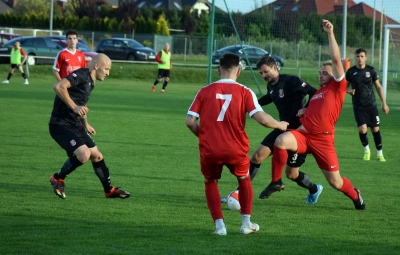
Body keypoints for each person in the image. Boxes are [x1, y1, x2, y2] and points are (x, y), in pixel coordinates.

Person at [186, 53, 288, 235]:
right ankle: (246, 224)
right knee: (244, 180)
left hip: (210, 149)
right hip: (236, 148)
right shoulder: (244, 91)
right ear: (238, 72)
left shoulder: (204, 91)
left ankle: (220, 227)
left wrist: (204, 137)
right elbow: (261, 118)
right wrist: (279, 125)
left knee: (210, 182)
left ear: (219, 70)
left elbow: (190, 121)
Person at [269, 19, 365, 210]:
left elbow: (337, 60)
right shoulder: (318, 93)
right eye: (320, 72)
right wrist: (306, 110)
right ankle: (275, 181)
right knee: (281, 141)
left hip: (323, 140)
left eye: (325, 72)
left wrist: (330, 33)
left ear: (335, 75)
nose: (321, 74)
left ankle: (356, 195)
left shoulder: (338, 87)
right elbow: (318, 112)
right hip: (304, 136)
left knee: (336, 183)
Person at [48, 53, 131, 200]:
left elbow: (81, 105)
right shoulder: (81, 75)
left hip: (75, 124)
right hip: (60, 125)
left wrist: (85, 123)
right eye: (106, 69)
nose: (108, 73)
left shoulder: (91, 82)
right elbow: (58, 86)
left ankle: (109, 191)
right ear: (96, 66)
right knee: (84, 154)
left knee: (97, 156)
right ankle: (57, 178)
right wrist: (74, 107)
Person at [246, 56, 322, 203]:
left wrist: (305, 109)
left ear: (275, 68)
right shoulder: (271, 86)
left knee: (292, 174)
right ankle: (241, 192)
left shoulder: (291, 80)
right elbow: (270, 97)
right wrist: (250, 104)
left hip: (299, 133)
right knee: (256, 157)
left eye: (266, 71)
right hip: (282, 128)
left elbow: (314, 92)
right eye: (261, 73)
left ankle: (314, 189)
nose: (264, 76)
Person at [345, 48, 389, 161]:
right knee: (362, 129)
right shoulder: (350, 72)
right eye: (357, 56)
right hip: (358, 105)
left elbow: (378, 87)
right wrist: (348, 91)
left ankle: (380, 154)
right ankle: (367, 151)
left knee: (375, 129)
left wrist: (384, 103)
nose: (360, 58)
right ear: (355, 58)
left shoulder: (371, 70)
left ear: (366, 58)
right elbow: (344, 87)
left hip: (371, 105)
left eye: (362, 56)